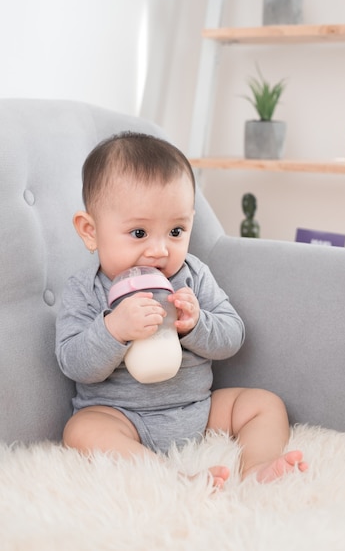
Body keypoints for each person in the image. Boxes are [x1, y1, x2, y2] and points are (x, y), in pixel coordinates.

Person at [55, 132, 307, 488]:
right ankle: (172, 480)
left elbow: (233, 336)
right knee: (81, 429)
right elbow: (73, 362)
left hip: (198, 410)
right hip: (124, 419)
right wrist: (114, 329)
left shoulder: (192, 275)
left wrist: (195, 324)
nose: (159, 250)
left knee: (264, 403)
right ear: (90, 231)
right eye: (139, 232)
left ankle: (257, 467)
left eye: (176, 230)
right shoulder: (84, 290)